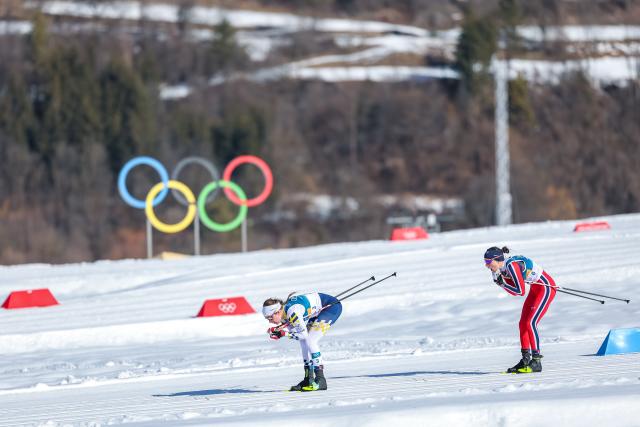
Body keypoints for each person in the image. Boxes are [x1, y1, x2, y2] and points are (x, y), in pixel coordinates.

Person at [484, 246, 557, 373]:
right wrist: (503, 284)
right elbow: (514, 290)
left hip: (546, 288)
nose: (487, 266)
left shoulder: (511, 266)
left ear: (497, 259)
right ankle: (526, 360)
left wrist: (503, 284)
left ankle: (536, 361)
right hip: (535, 289)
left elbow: (520, 291)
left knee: (530, 323)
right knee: (523, 323)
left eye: (488, 262)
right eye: (485, 262)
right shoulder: (498, 269)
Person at [262, 292, 342, 391]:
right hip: (316, 311)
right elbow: (297, 333)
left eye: (270, 318)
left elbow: (303, 334)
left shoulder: (292, 312)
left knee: (310, 341)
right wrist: (281, 331)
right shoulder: (283, 314)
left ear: (277, 312)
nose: (269, 321)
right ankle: (308, 379)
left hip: (330, 308)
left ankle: (321, 380)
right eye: (267, 319)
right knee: (304, 342)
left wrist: (283, 334)